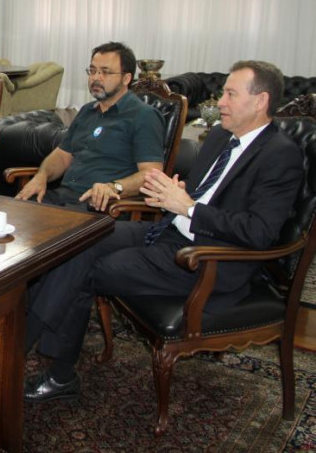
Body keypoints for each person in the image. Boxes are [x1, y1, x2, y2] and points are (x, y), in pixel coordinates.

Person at [23, 61, 303, 403]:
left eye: (230, 94)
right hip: (170, 234)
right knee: (80, 239)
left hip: (209, 261)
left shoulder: (281, 155)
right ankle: (42, 358)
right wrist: (171, 196)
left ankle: (31, 357)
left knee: (86, 268)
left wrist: (187, 207)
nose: (221, 102)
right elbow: (198, 196)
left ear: (261, 101)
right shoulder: (218, 137)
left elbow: (259, 232)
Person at [15, 42, 165, 212]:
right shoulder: (87, 111)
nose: (96, 77)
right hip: (64, 197)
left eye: (105, 72)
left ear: (126, 78)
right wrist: (41, 176)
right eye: (92, 71)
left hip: (102, 206)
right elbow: (62, 156)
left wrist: (113, 187)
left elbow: (151, 175)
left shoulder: (144, 116)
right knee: (14, 215)